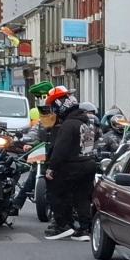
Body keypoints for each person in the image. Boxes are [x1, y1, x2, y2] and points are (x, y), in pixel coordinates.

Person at [43, 88, 91, 240]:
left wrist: (51, 167)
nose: (54, 111)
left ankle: (62, 225)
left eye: (54, 107)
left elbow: (60, 149)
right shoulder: (86, 123)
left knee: (57, 193)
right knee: (82, 197)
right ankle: (84, 229)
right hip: (88, 163)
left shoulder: (68, 125)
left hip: (71, 165)